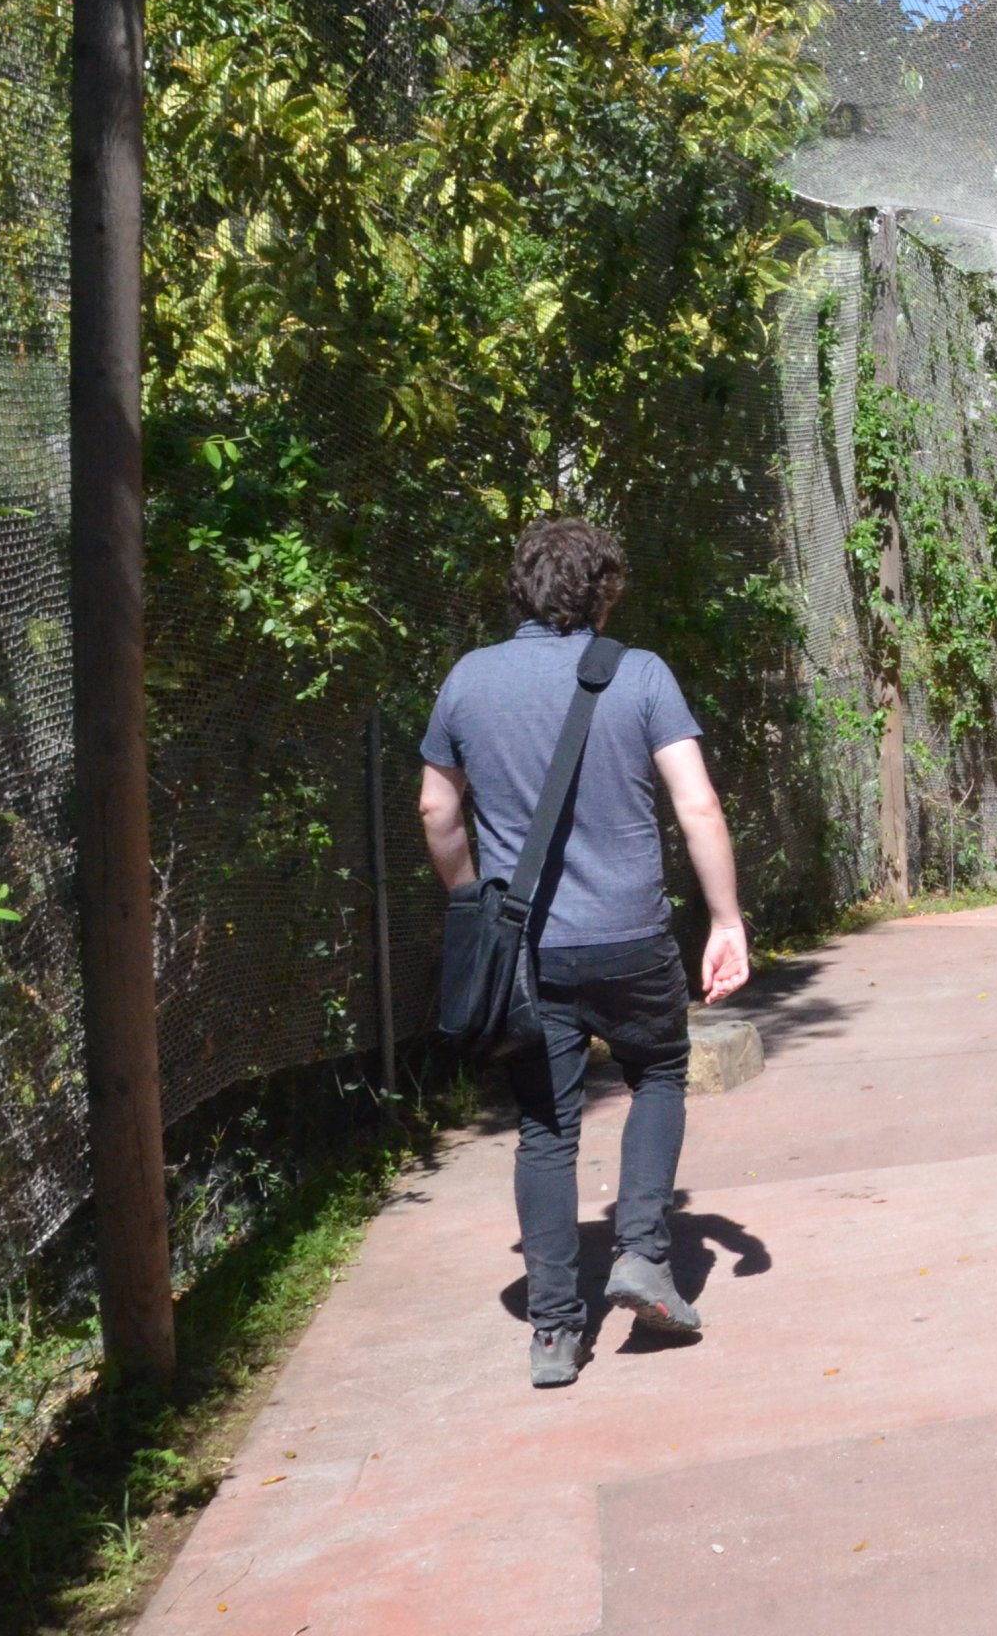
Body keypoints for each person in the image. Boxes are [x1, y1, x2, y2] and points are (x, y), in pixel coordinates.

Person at [417, 518, 751, 1388]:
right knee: (660, 1074)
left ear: (520, 587)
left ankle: (556, 1332)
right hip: (633, 937)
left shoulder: (468, 681)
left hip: (527, 950)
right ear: (604, 591)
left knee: (546, 1128)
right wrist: (726, 919)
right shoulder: (638, 675)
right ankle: (642, 1252)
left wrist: (470, 901)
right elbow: (698, 805)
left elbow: (435, 813)